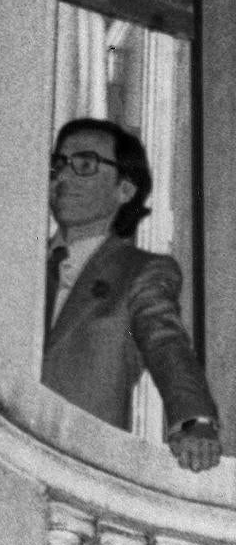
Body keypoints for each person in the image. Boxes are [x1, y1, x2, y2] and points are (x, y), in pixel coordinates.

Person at [43, 118, 221, 472]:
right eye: (58, 164)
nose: (63, 177)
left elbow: (166, 344)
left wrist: (193, 421)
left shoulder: (139, 272)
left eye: (85, 164)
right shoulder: (18, 267)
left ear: (125, 189)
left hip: (81, 467)